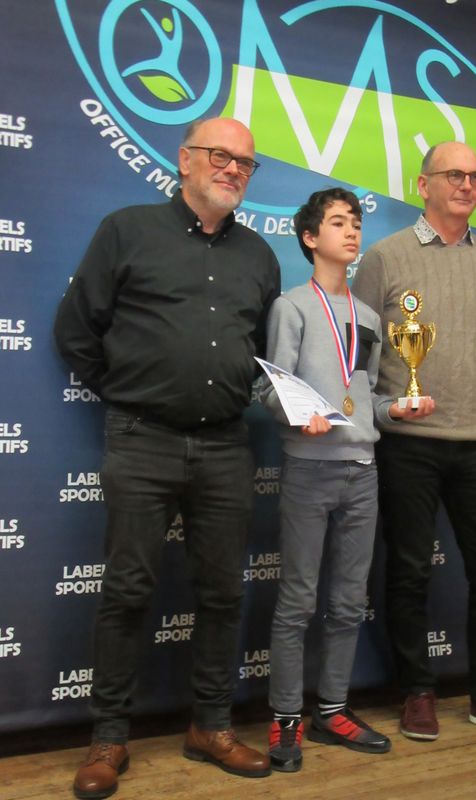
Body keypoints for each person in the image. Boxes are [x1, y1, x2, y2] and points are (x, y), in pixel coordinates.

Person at [54, 117, 281, 798]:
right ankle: (108, 739)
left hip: (226, 446)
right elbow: (76, 330)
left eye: (246, 162)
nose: (233, 169)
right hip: (142, 438)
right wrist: (133, 391)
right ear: (185, 160)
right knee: (127, 590)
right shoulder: (127, 229)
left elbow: (262, 354)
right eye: (220, 155)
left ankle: (211, 726)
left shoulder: (260, 256)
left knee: (222, 592)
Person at [352, 142, 476, 743]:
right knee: (408, 571)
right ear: (423, 185)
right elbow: (356, 357)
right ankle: (416, 691)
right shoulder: (385, 258)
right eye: (454, 174)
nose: (467, 184)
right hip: (406, 443)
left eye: (475, 176)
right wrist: (370, 418)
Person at [260, 188, 395, 773]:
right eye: (338, 222)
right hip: (310, 471)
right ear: (311, 238)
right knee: (298, 601)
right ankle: (285, 716)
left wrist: (397, 410)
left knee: (347, 601)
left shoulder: (370, 317)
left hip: (362, 472)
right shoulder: (291, 307)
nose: (352, 231)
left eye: (356, 222)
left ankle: (333, 710)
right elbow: (271, 387)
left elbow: (367, 396)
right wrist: (297, 414)